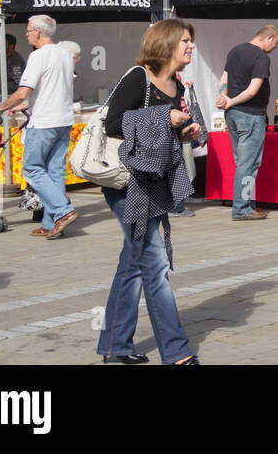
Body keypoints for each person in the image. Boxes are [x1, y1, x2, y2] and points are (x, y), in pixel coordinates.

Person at [96, 18, 203, 365]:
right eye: (184, 40)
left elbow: (163, 136)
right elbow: (114, 123)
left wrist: (183, 133)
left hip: (153, 181)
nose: (190, 46)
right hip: (125, 181)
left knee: (132, 264)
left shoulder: (179, 87)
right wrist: (163, 119)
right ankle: (176, 352)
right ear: (167, 42)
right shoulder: (137, 77)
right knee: (155, 264)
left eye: (190, 41)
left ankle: (115, 346)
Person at [0, 15, 77, 239]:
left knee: (32, 169)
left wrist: (0, 108)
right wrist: (24, 105)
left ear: (37, 32)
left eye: (28, 30)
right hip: (63, 120)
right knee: (54, 172)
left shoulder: (38, 56)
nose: (26, 34)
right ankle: (51, 223)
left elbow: (23, 91)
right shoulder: (64, 55)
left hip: (45, 122)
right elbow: (51, 89)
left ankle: (63, 211)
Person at [216, 24, 278, 221]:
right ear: (268, 38)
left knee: (243, 162)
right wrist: (231, 100)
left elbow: (224, 78)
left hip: (233, 115)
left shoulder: (235, 51)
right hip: (250, 115)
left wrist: (223, 97)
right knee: (248, 163)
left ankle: (248, 204)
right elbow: (253, 90)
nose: (275, 47)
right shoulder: (261, 57)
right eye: (276, 43)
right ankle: (242, 208)